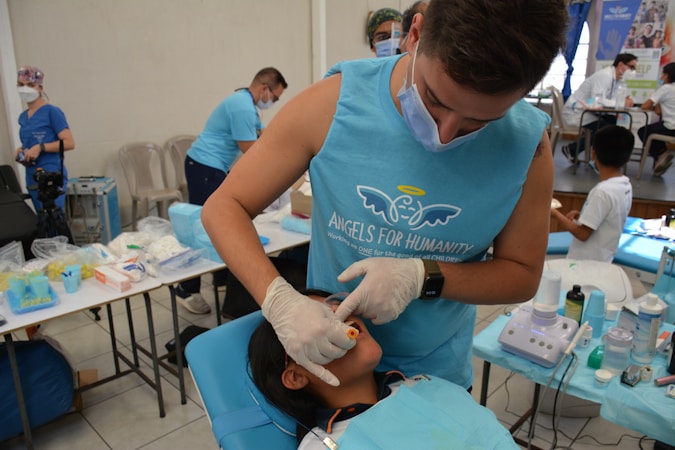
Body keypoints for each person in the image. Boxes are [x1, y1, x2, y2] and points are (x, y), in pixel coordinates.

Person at [202, 0, 568, 388]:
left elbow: (522, 274)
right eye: (435, 100)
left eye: (478, 123)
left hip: (434, 374)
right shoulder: (333, 104)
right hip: (331, 365)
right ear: (414, 34)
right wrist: (277, 300)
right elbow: (225, 206)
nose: (444, 134)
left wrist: (420, 276)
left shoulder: (527, 147)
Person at [248, 292, 519, 449]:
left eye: (336, 309)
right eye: (320, 324)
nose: (340, 318)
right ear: (296, 376)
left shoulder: (426, 385)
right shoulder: (325, 445)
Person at [176, 67, 287, 314]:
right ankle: (187, 288)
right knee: (206, 225)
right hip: (205, 165)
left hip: (213, 165)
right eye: (275, 98)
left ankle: (221, 279)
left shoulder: (248, 105)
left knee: (221, 224)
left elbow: (263, 135)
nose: (274, 102)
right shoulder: (241, 106)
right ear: (264, 88)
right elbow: (250, 148)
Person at [551, 125, 634, 263]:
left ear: (593, 154)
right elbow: (609, 217)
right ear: (628, 158)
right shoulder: (625, 185)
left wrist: (555, 214)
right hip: (604, 260)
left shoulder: (602, 192)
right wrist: (583, 216)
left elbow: (582, 234)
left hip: (585, 264)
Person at [14, 66, 75, 212]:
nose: (25, 89)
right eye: (21, 85)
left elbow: (69, 143)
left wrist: (40, 147)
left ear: (40, 88)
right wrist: (21, 151)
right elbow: (29, 144)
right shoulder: (23, 117)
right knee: (41, 219)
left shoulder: (52, 112)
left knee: (53, 218)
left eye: (30, 85)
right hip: (32, 175)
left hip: (50, 174)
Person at [561, 53, 637, 163]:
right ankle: (598, 159)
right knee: (607, 129)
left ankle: (576, 150)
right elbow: (597, 100)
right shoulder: (604, 76)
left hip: (590, 112)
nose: (633, 71)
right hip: (577, 112)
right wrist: (621, 102)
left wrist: (625, 101)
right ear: (621, 64)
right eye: (631, 67)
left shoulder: (616, 79)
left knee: (614, 125)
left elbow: (610, 100)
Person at [638, 62, 675, 176]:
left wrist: (654, 96)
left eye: (662, 74)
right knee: (654, 129)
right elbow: (659, 111)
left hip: (670, 127)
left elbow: (645, 106)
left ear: (667, 75)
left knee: (643, 131)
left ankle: (661, 155)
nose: (661, 77)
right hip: (670, 127)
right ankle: (661, 157)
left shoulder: (666, 88)